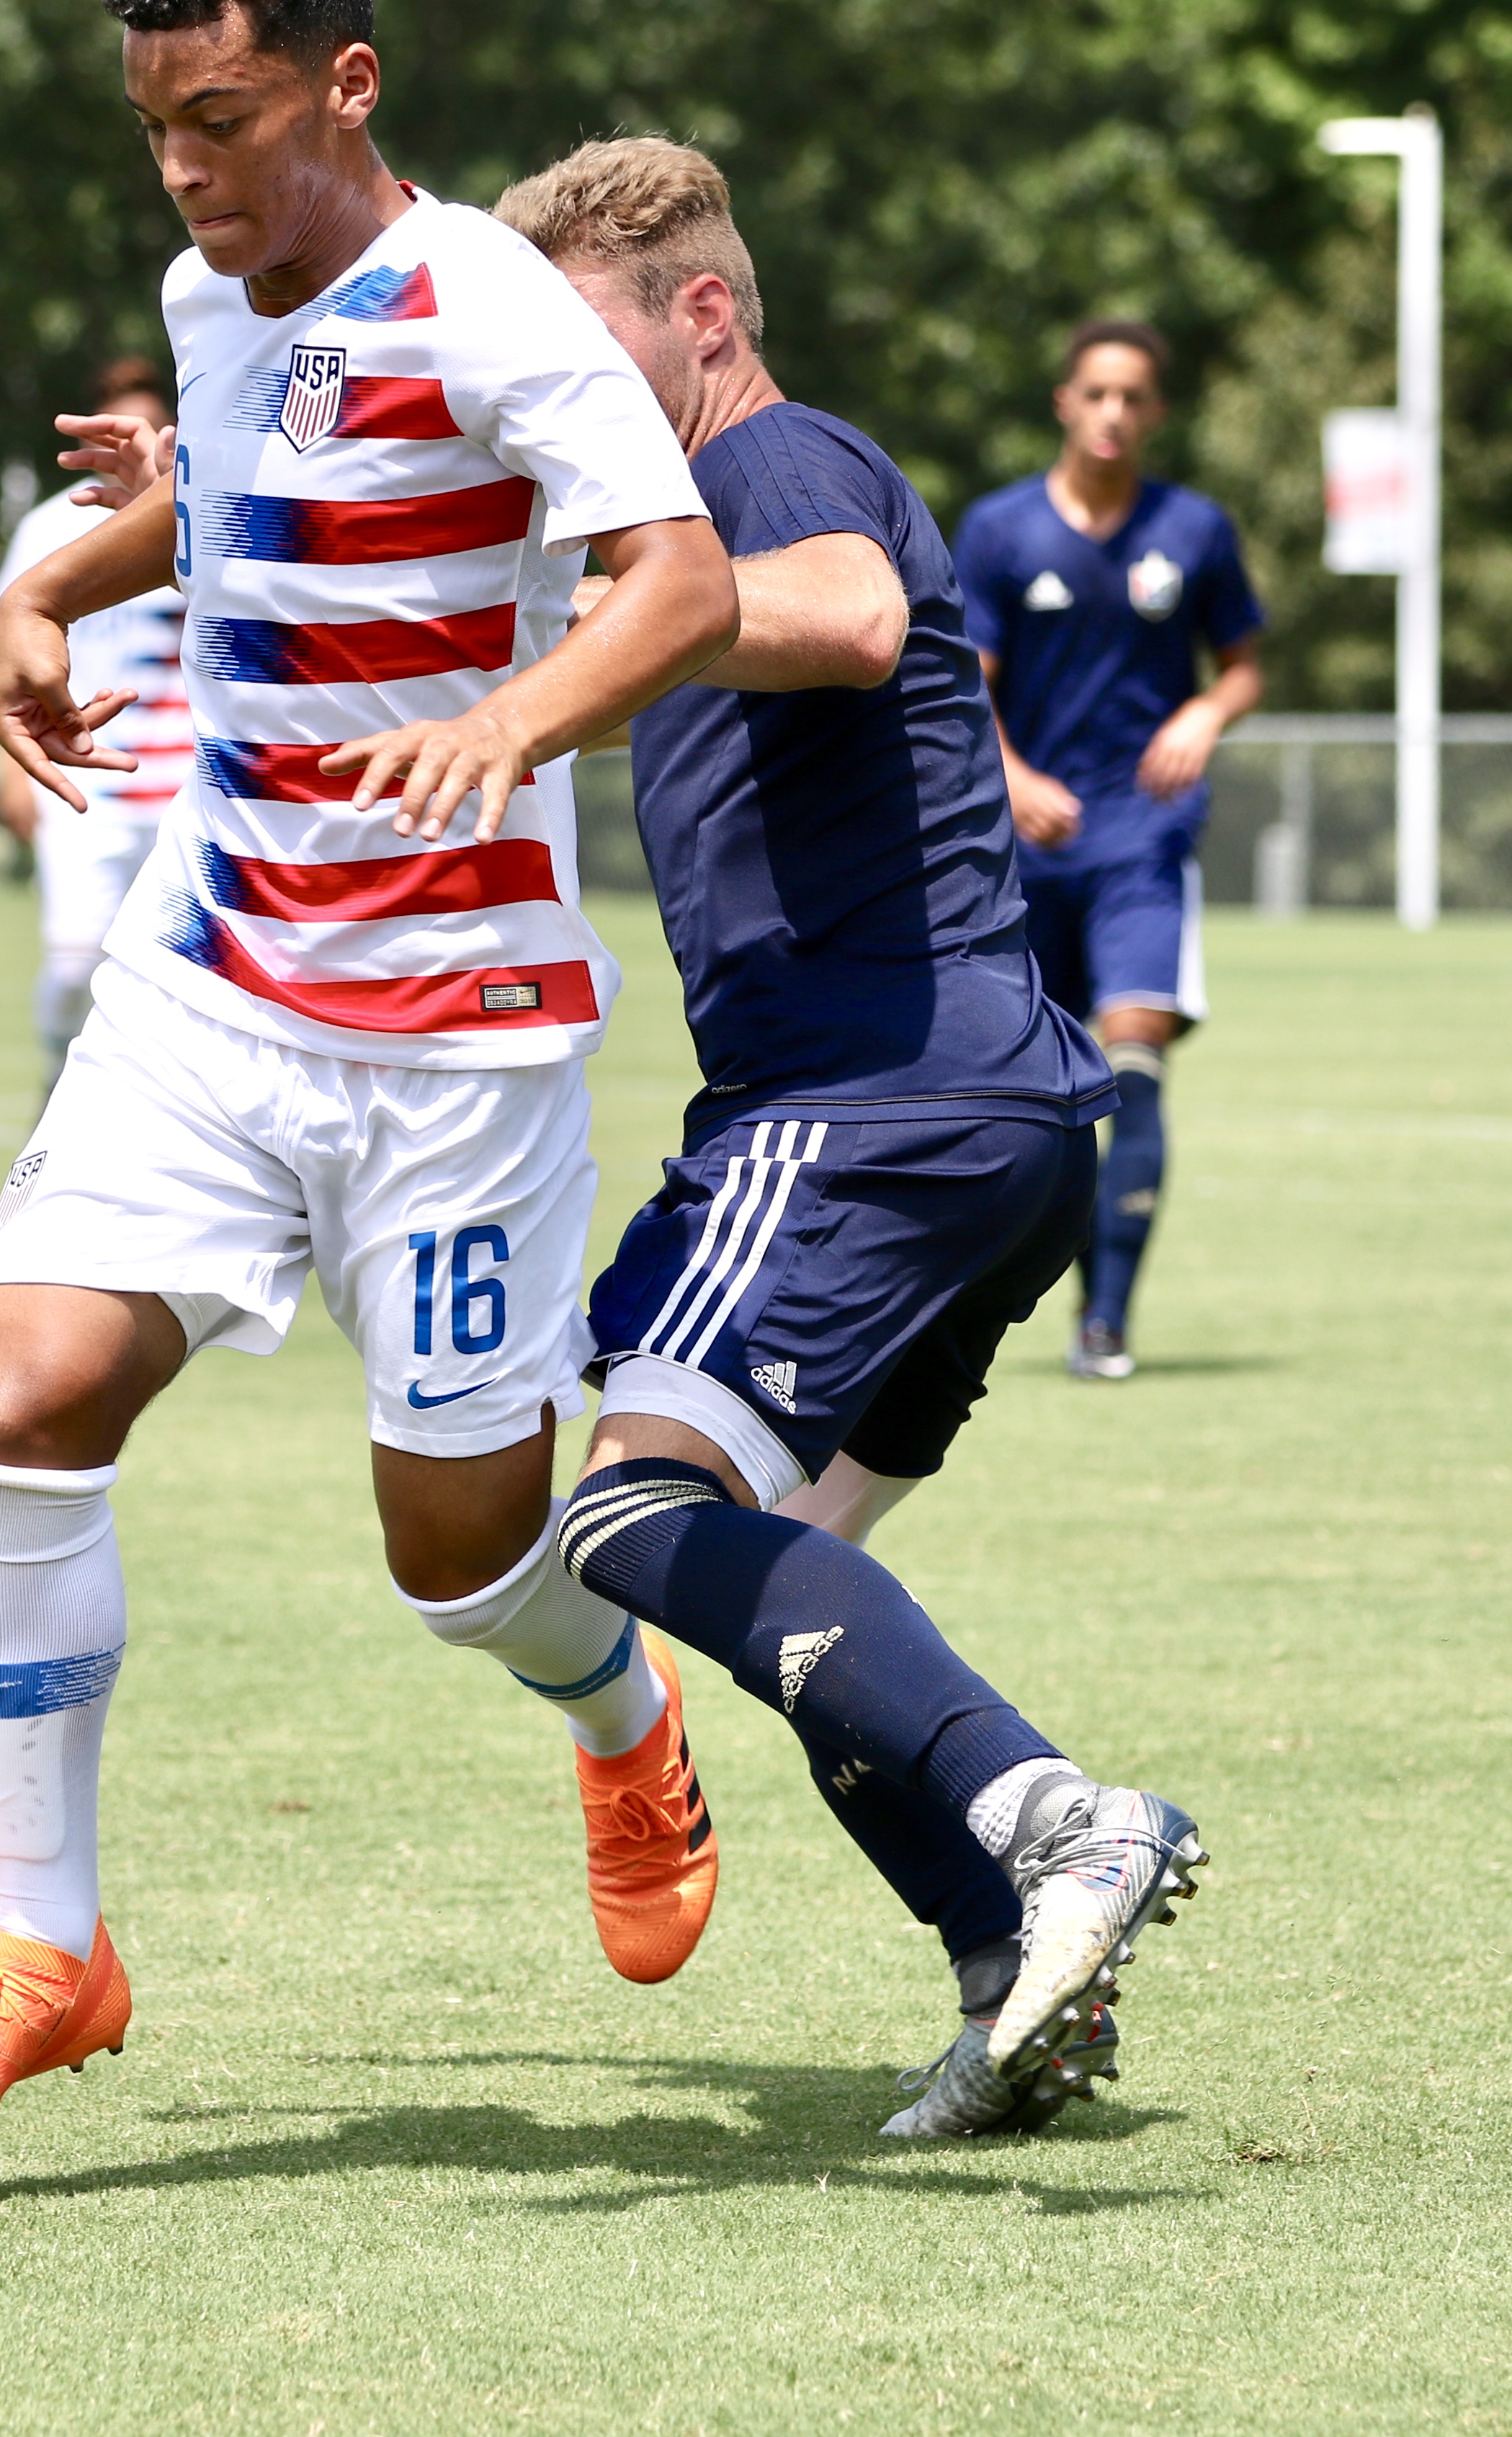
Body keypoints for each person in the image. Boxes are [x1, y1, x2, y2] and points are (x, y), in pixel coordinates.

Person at [0, 0, 741, 2152]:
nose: (183, 173)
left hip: (455, 1039)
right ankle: (48, 1944)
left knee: (458, 1563)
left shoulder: (487, 301)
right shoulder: (210, 294)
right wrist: (48, 587)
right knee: (18, 1390)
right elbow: (245, 502)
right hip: (207, 982)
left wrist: (511, 720)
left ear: (344, 83)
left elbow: (673, 577)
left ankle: (616, 1716)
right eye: (154, 130)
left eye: (223, 119)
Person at [352, 136, 1206, 2137]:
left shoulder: (767, 466)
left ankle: (1053, 1818)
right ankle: (1009, 1975)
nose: (553, 392)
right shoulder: (653, 541)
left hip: (861, 1107)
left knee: (619, 1516)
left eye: (584, 342)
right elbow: (532, 629)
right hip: (986, 1121)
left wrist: (603, 649)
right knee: (777, 1594)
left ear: (702, 315)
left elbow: (842, 611)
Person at [955, 324, 1264, 1378]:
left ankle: (1107, 1320)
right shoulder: (999, 529)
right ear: (1064, 402)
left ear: (1155, 413)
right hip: (1028, 851)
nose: (1113, 414)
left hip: (1144, 840)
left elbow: (1242, 664)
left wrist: (1204, 714)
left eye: (1133, 397)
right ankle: (977, 1307)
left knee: (1134, 1067)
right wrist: (1010, 773)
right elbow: (965, 684)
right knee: (1043, 1098)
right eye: (1096, 393)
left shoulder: (1193, 528)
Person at [0, 357, 194, 1090]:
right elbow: (5, 653)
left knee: (183, 976)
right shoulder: (47, 527)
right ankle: (57, 1072)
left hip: (188, 788)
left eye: (151, 428)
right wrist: (11, 773)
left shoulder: (201, 515)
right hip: (83, 785)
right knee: (75, 964)